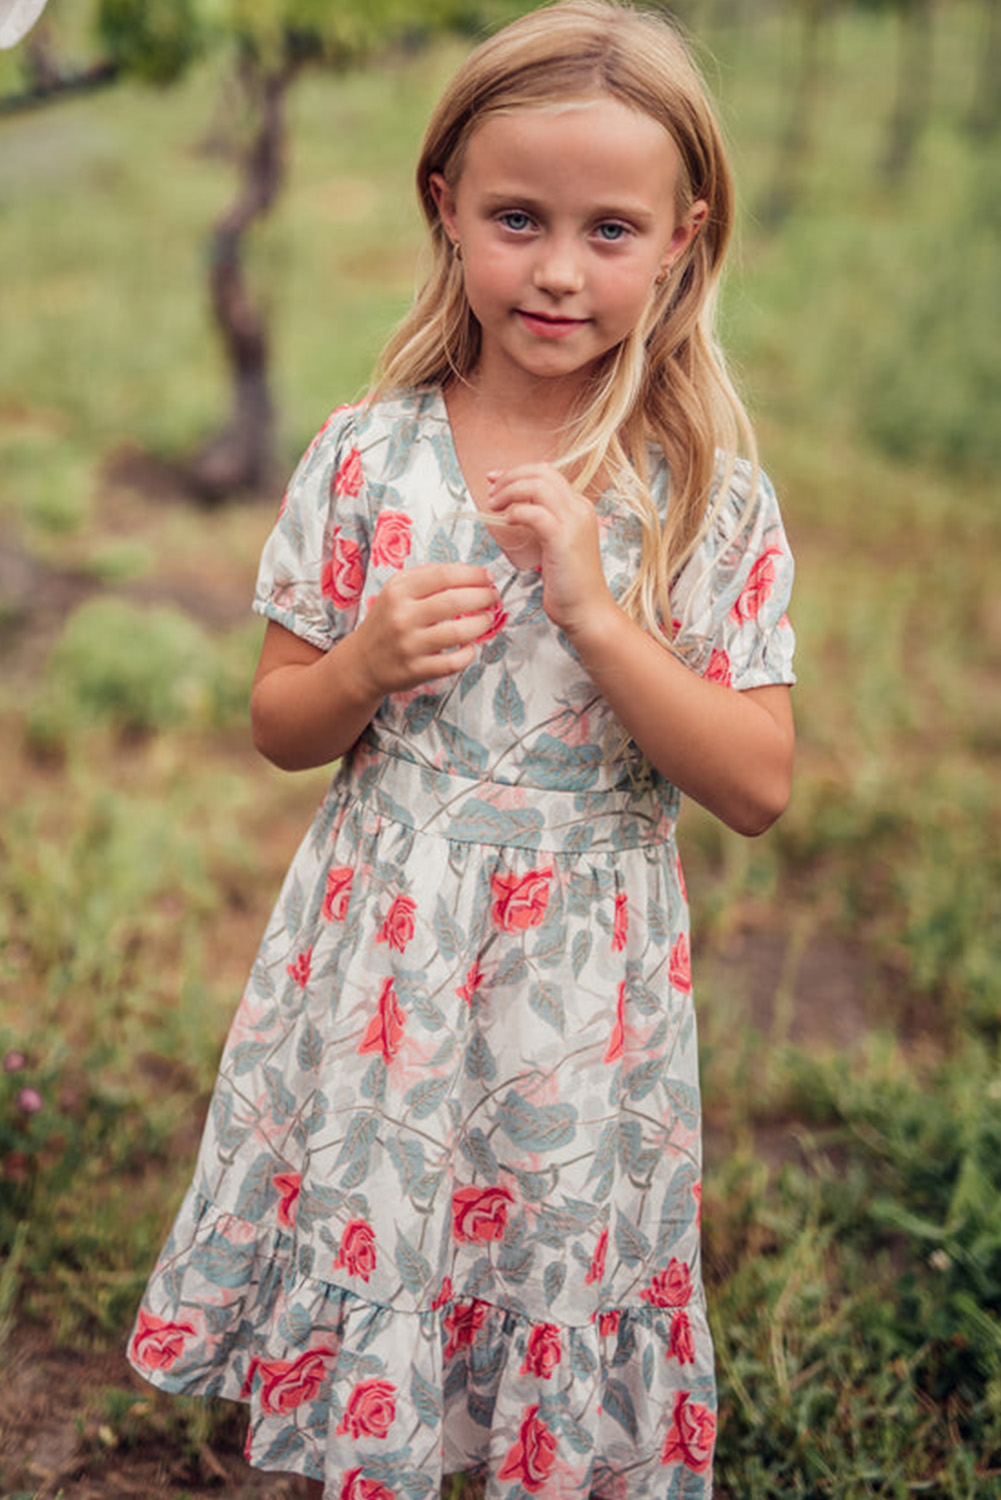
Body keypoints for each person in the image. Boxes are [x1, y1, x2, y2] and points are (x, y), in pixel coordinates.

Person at [127, 2, 796, 1495]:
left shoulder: (705, 503)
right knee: (389, 1208)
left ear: (685, 238)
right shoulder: (370, 455)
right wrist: (364, 660)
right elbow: (280, 723)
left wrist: (602, 620)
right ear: (447, 207)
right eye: (517, 218)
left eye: (610, 230)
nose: (558, 269)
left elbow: (755, 785)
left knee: (540, 1238)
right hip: (386, 963)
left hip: (578, 987)